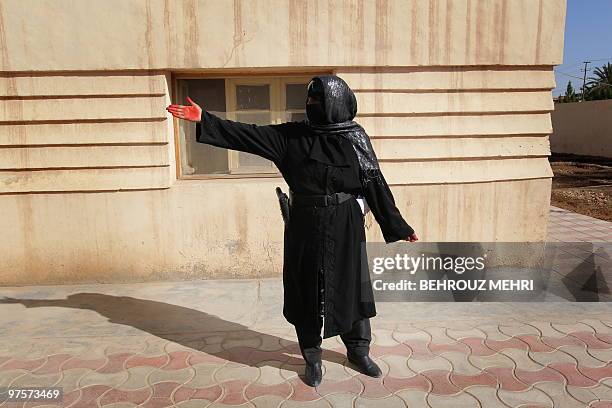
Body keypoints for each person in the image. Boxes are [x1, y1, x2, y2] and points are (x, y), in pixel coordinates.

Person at [167, 75, 418, 387]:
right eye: (310, 100)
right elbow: (248, 135)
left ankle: (358, 350)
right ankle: (312, 357)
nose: (311, 106)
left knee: (350, 285)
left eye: (319, 101)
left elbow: (374, 183)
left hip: (346, 226)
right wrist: (205, 119)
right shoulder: (291, 137)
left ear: (338, 105)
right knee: (307, 290)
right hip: (305, 226)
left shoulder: (356, 138)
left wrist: (396, 224)